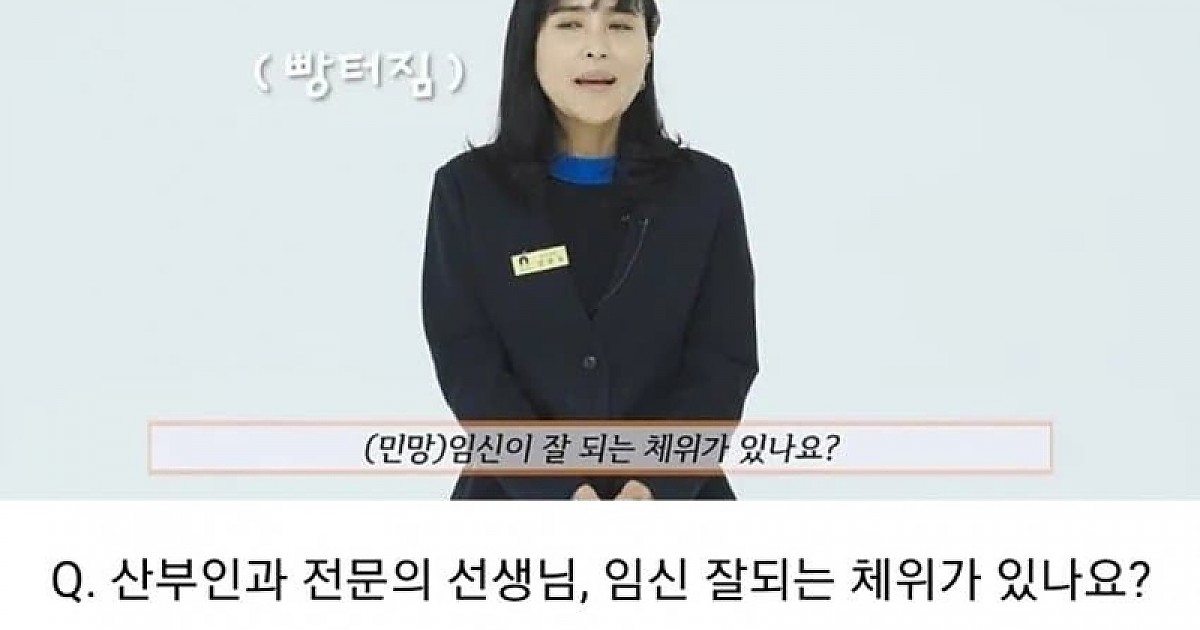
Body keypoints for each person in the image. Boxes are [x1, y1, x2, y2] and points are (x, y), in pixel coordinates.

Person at [421, 0, 758, 499]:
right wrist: (560, 491)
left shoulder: (704, 191)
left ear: (648, 48)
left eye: (620, 25)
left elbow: (723, 361)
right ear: (530, 45)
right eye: (571, 23)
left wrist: (653, 485)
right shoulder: (469, 192)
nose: (597, 47)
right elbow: (468, 365)